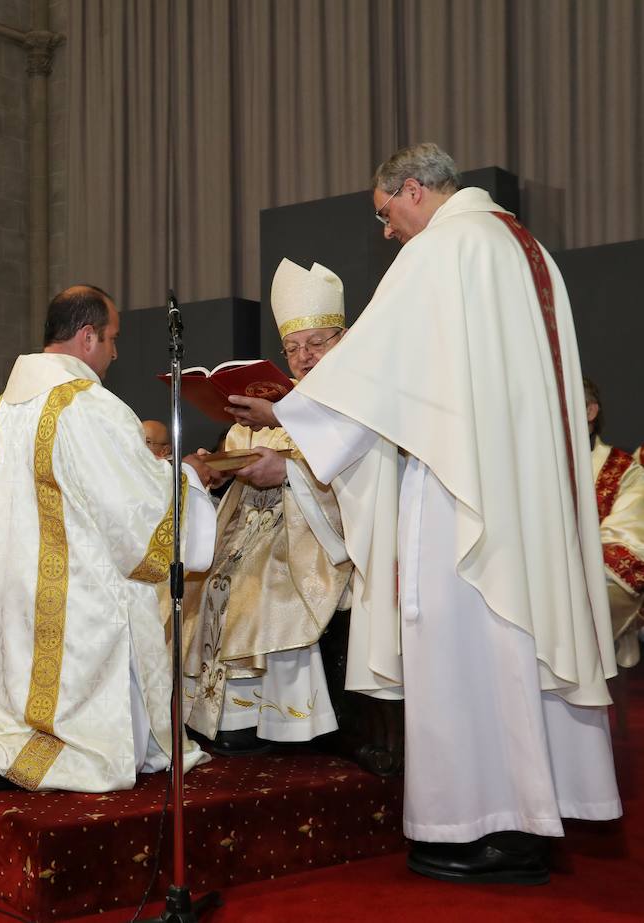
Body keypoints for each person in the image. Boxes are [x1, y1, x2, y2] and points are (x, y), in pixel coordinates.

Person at [228, 143, 621, 884]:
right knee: (514, 648)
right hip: (521, 491)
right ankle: (529, 822)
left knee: (468, 649)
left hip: (459, 495)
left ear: (413, 189)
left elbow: (376, 367)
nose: (386, 233)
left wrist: (288, 406)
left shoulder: (442, 250)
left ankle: (481, 828)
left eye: (386, 214)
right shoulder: (524, 248)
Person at [0, 284, 221, 871]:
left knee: (23, 716)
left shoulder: (12, 404)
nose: (114, 353)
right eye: (111, 339)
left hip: (26, 590)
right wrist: (187, 481)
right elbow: (135, 514)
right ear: (87, 336)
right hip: (78, 600)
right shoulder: (85, 404)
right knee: (84, 749)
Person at [180, 259, 352, 752]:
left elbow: (358, 485)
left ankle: (271, 720)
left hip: (312, 537)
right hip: (253, 522)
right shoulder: (265, 409)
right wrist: (216, 466)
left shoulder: (349, 403)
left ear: (341, 339)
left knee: (260, 583)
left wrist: (289, 473)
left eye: (316, 344)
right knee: (209, 574)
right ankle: (212, 715)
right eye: (294, 348)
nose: (304, 357)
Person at [584, 379, 644, 668]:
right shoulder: (526, 468)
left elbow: (628, 544)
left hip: (592, 610)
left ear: (589, 411)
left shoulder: (623, 470)